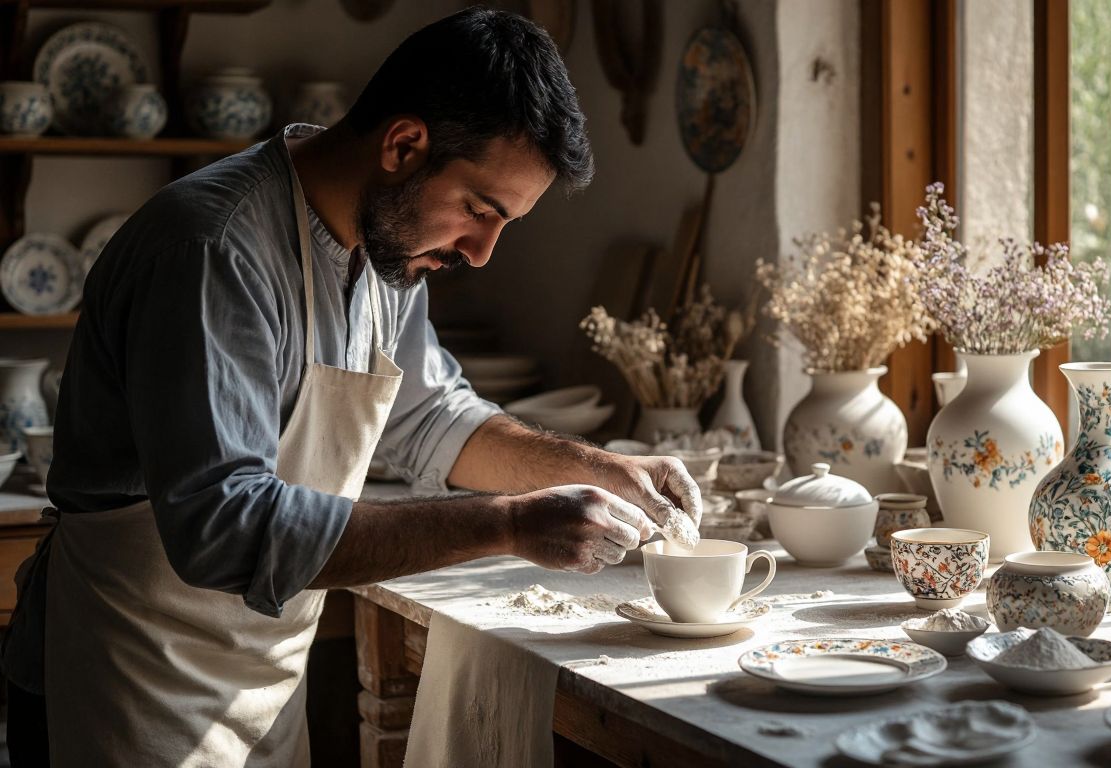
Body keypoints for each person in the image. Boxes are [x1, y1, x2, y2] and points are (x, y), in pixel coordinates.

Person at [1, 7, 701, 766]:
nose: (482, 252)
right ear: (403, 144)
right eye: (479, 210)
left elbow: (431, 418)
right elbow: (223, 527)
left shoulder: (388, 250)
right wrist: (506, 525)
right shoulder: (212, 249)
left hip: (256, 684)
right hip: (124, 685)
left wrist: (599, 470)